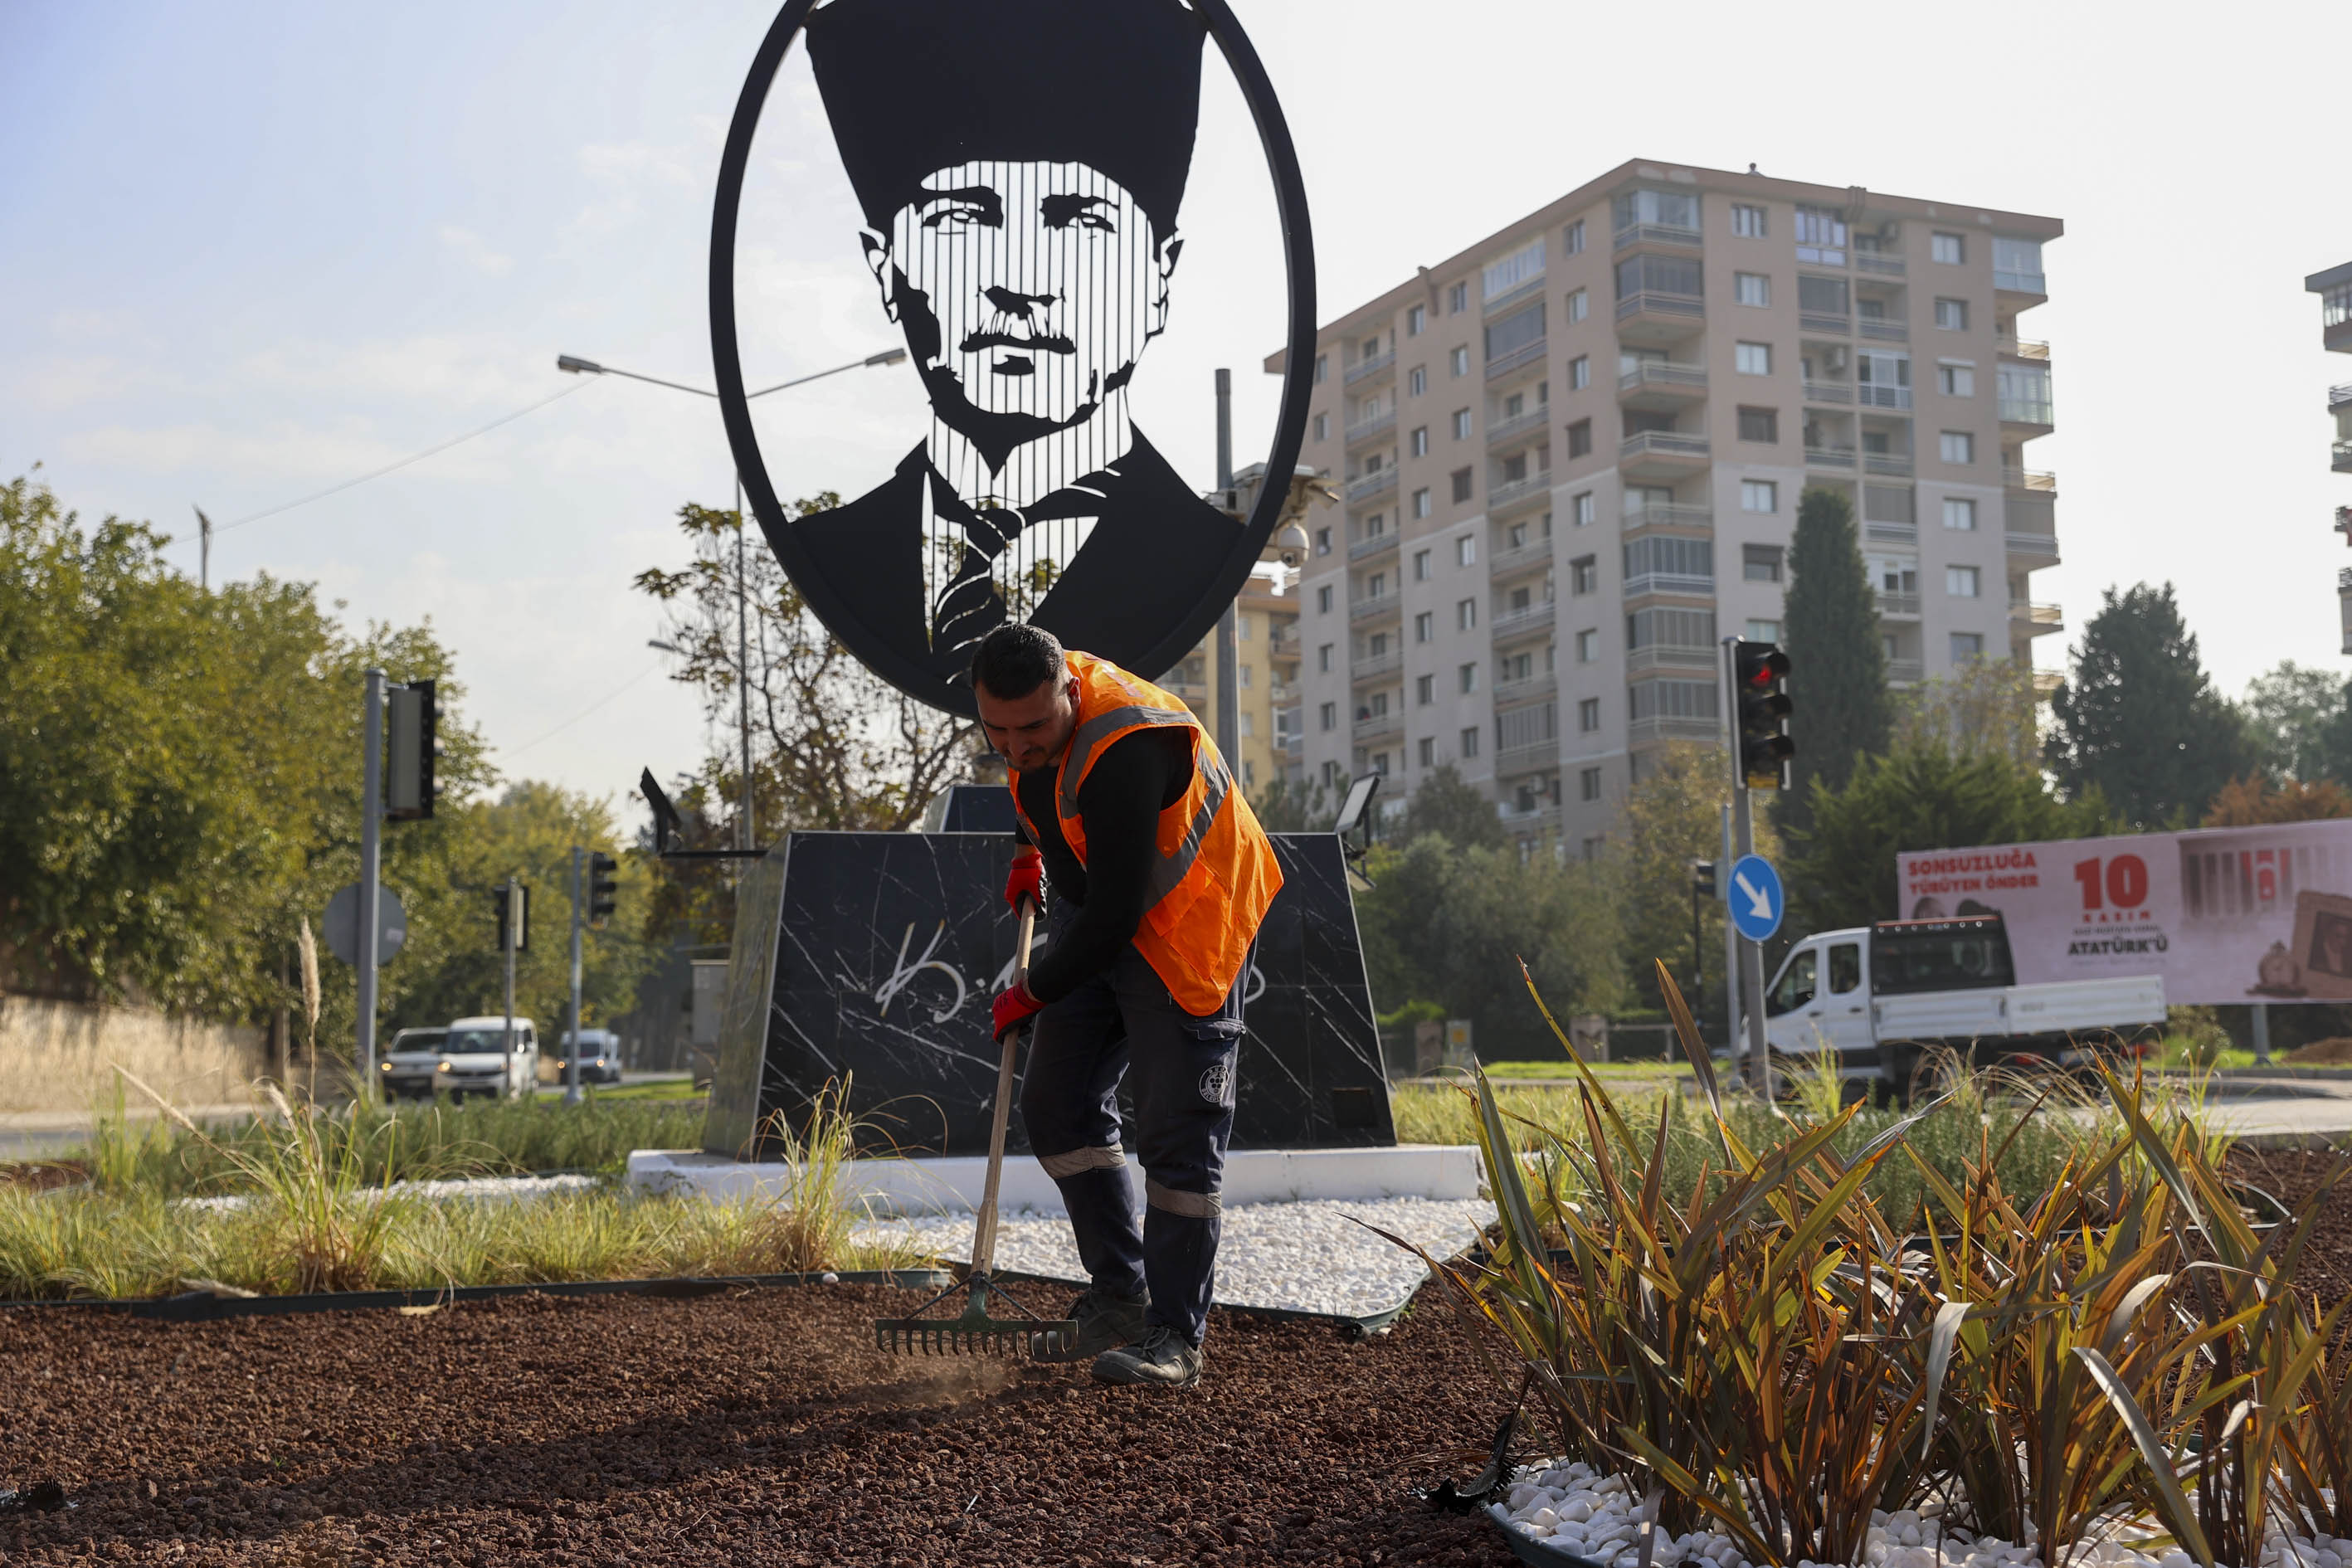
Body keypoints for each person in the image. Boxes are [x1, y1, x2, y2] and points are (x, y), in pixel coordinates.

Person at [788, 0, 1241, 709]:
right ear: (885, 270)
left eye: (1080, 221)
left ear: (1160, 277)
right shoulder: (833, 553)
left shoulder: (1198, 555)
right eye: (962, 219)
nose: (1018, 284)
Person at [971, 622, 1282, 1387]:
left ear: (1069, 693)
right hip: (1104, 908)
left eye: (1032, 727)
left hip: (1187, 921)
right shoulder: (1037, 704)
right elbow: (1037, 780)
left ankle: (1175, 1336)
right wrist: (1027, 849)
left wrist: (1030, 992)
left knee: (1177, 1136)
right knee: (1058, 1107)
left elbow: (1112, 919)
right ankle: (1117, 1295)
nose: (1014, 746)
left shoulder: (1131, 745)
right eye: (996, 732)